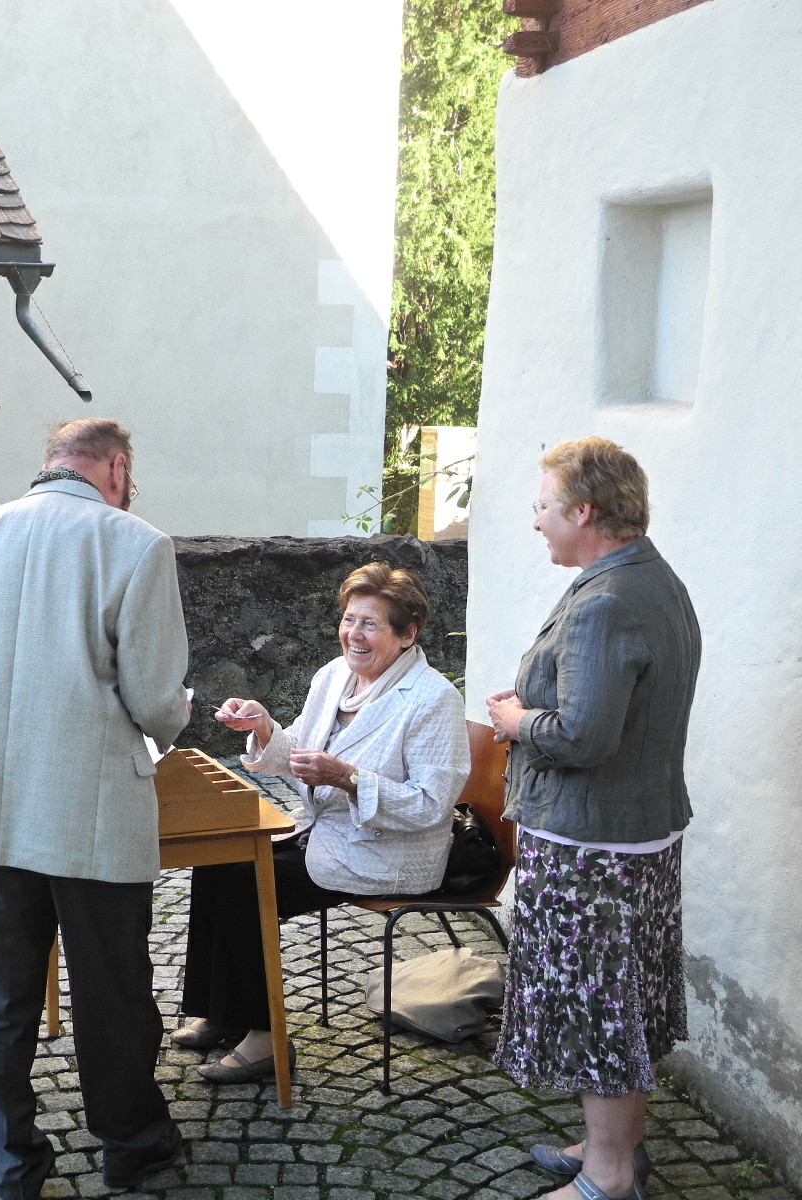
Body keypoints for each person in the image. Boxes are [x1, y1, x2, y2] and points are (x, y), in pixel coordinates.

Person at [0, 418, 191, 1200]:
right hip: (93, 809)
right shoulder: (137, 543)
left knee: (0, 998)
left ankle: (12, 1162)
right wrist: (178, 711)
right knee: (111, 990)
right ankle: (131, 1143)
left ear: (50, 464)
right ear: (116, 467)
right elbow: (154, 699)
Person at [487, 438, 699, 1200]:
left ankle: (606, 1178)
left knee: (598, 1008)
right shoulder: (651, 577)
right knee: (623, 1001)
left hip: (591, 846)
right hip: (635, 836)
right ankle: (617, 1148)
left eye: (543, 506)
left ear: (583, 511)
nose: (535, 520)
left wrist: (516, 721)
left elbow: (583, 737)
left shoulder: (605, 602)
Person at [185, 563, 470, 1082]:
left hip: (387, 853)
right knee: (218, 860)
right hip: (326, 834)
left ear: (408, 634)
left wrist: (349, 779)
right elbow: (298, 750)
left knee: (243, 882)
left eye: (370, 624)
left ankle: (266, 1039)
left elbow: (431, 805)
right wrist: (264, 727)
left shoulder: (433, 700)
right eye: (348, 620)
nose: (353, 634)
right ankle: (225, 1014)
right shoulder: (333, 676)